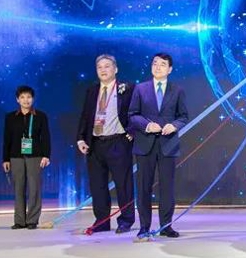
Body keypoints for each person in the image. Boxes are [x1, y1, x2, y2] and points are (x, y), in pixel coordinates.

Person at [129, 53, 189, 238]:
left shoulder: (177, 90)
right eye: (155, 63)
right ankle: (144, 227)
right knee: (143, 188)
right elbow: (132, 115)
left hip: (168, 145)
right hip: (144, 144)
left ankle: (166, 226)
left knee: (167, 189)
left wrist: (174, 126)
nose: (157, 67)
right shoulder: (140, 88)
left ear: (169, 69)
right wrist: (147, 125)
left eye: (162, 64)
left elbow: (183, 116)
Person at [77, 54, 136, 233]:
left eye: (107, 66)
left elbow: (138, 111)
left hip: (118, 141)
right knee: (98, 185)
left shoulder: (127, 88)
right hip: (95, 143)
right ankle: (102, 222)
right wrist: (81, 138)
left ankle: (126, 220)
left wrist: (132, 131)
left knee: (123, 184)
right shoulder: (92, 90)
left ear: (115, 69)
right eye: (99, 67)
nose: (103, 70)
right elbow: (85, 116)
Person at [2, 85, 51, 229]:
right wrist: (5, 159)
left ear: (33, 99)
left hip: (35, 156)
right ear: (17, 99)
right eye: (22, 97)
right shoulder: (10, 117)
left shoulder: (40, 116)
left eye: (29, 97)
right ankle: (19, 221)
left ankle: (32, 220)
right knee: (18, 189)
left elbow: (45, 137)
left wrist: (46, 155)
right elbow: (7, 139)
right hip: (16, 156)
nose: (26, 100)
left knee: (34, 188)